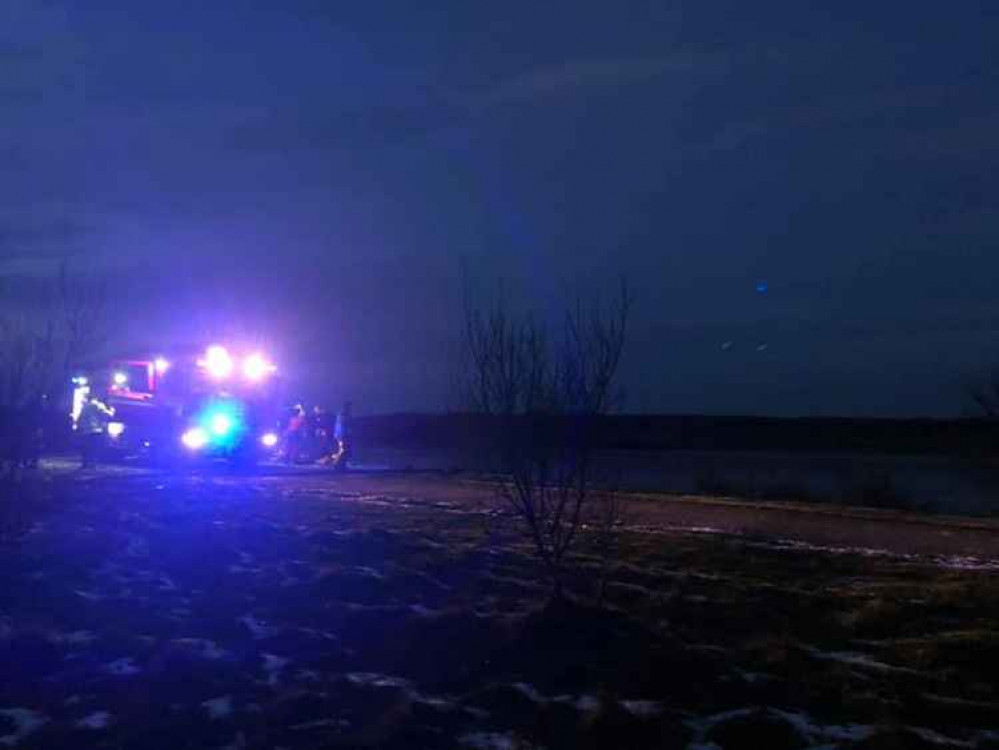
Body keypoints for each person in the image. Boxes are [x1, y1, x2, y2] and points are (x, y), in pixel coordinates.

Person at [78, 394, 114, 469]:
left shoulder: (85, 407)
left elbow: (80, 418)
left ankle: (85, 464)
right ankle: (92, 464)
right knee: (94, 448)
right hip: (95, 429)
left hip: (85, 430)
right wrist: (112, 411)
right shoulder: (98, 405)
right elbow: (106, 414)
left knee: (86, 448)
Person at [329, 400, 352, 472]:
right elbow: (343, 424)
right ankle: (336, 463)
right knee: (342, 449)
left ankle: (340, 464)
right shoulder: (344, 415)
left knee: (343, 449)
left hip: (341, 434)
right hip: (342, 435)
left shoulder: (342, 414)